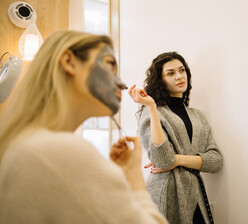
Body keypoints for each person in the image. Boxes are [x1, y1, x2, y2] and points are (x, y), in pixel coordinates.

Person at [0, 30, 168, 224]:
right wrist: (134, 176)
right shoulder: (58, 151)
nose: (122, 84)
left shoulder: (23, 144)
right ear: (69, 62)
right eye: (109, 64)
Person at [128, 52, 222, 224]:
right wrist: (151, 106)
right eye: (171, 73)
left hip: (196, 194)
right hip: (164, 192)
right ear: (160, 80)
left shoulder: (198, 117)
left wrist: (177, 160)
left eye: (182, 70)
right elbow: (163, 160)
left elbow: (215, 161)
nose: (179, 76)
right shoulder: (153, 113)